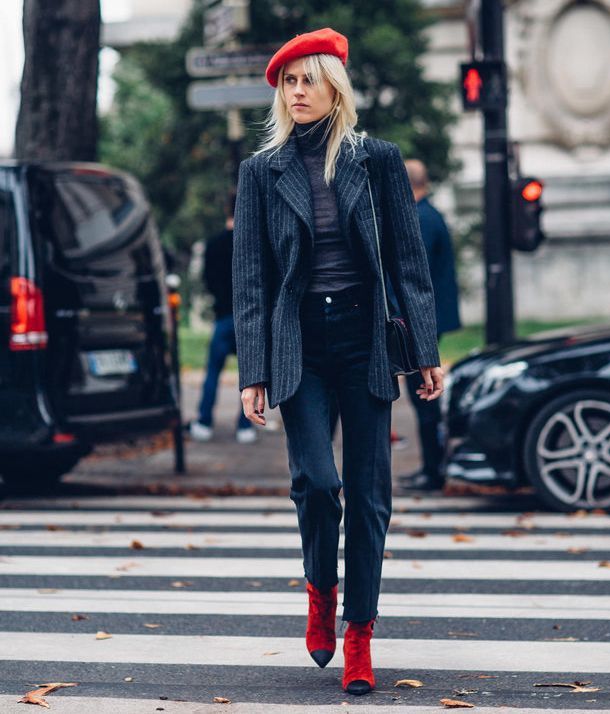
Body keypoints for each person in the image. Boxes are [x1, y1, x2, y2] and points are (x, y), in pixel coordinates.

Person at [232, 28, 443, 695]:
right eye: (288, 83)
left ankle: (359, 635)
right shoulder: (261, 172)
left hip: (364, 341)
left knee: (370, 496)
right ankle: (320, 591)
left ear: (335, 89)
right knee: (318, 486)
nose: (296, 93)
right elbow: (250, 280)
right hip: (300, 344)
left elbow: (408, 262)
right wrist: (253, 371)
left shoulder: (376, 161)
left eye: (308, 81)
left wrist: (425, 351)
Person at [398, 160, 461, 491]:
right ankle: (432, 468)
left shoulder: (420, 219)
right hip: (427, 319)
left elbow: (412, 275)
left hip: (420, 321)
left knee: (424, 394)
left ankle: (433, 470)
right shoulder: (430, 214)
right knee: (424, 394)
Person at [190, 193, 257, 444]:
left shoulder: (213, 244)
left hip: (222, 317)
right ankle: (244, 426)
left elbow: (207, 280)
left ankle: (204, 422)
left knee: (212, 373)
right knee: (250, 376)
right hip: (247, 319)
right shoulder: (251, 243)